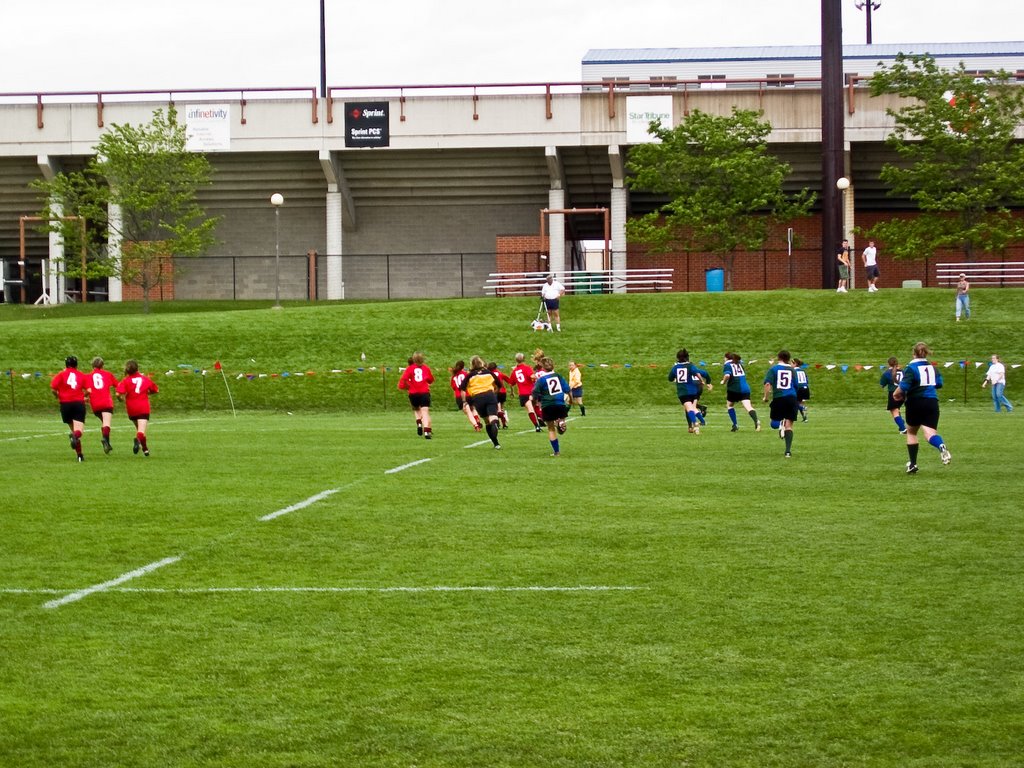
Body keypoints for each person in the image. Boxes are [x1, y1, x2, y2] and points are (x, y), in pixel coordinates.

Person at [893, 341, 951, 473]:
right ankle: (941, 445)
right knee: (930, 433)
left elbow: (904, 387)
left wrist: (895, 395)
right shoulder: (933, 368)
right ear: (926, 353)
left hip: (915, 402)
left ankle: (913, 464)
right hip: (932, 402)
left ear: (914, 354)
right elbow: (939, 384)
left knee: (912, 432)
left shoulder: (911, 368)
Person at [115, 359, 159, 457]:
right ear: (137, 368)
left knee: (139, 430)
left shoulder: (125, 381)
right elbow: (155, 390)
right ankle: (137, 441)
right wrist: (148, 392)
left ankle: (145, 450)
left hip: (131, 408)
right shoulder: (145, 379)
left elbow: (118, 393)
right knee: (141, 431)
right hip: (143, 407)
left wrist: (120, 399)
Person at [531, 356, 571, 457]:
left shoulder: (541, 380)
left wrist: (535, 402)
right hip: (560, 403)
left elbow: (535, 392)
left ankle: (556, 452)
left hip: (547, 405)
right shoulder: (558, 376)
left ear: (543, 368)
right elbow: (567, 389)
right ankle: (561, 422)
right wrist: (570, 399)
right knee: (561, 421)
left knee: (551, 429)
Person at [460, 355, 502, 449]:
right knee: (493, 417)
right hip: (490, 395)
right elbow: (499, 384)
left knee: (487, 421)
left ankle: (496, 443)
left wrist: (464, 401)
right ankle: (495, 423)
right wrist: (495, 393)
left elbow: (462, 389)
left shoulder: (470, 375)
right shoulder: (488, 372)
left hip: (478, 398)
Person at [50, 355, 87, 462]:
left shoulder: (61, 374)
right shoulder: (81, 375)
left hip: (65, 405)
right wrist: (85, 396)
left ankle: (80, 455)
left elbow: (53, 388)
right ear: (76, 364)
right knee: (78, 431)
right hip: (78, 403)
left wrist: (57, 396)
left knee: (73, 430)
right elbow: (88, 389)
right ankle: (74, 437)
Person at [763, 350, 798, 458]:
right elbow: (796, 385)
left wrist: (766, 397)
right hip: (792, 398)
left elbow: (768, 384)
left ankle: (780, 426)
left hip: (779, 398)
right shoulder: (792, 370)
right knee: (789, 426)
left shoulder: (773, 369)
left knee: (774, 424)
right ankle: (788, 451)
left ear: (779, 357)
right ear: (788, 358)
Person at [668, 348, 712, 435]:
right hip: (693, 391)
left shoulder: (675, 368)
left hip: (683, 392)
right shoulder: (691, 366)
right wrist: (702, 381)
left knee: (689, 409)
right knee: (692, 407)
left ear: (678, 358)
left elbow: (670, 378)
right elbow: (698, 373)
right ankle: (701, 421)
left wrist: (675, 378)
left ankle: (695, 424)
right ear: (687, 357)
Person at [86, 356, 119, 454]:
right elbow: (118, 385)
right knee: (106, 423)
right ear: (102, 365)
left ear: (92, 365)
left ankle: (107, 444)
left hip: (95, 404)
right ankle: (105, 439)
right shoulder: (107, 374)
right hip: (106, 402)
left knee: (104, 423)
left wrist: (85, 397)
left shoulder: (88, 376)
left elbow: (86, 390)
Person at [398, 351, 435, 438]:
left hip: (413, 393)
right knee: (425, 412)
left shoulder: (410, 368)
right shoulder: (426, 368)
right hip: (424, 393)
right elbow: (431, 380)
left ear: (413, 359)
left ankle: (419, 423)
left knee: (416, 409)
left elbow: (404, 379)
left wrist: (407, 387)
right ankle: (426, 431)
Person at [721, 352, 760, 432]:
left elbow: (727, 375)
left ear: (727, 358)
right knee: (748, 407)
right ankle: (756, 421)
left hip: (734, 389)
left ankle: (735, 424)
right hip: (745, 388)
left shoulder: (727, 365)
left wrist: (723, 381)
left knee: (730, 405)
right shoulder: (739, 364)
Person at [510, 352, 542, 431]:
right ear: (524, 359)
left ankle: (536, 426)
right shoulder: (527, 368)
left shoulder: (515, 371)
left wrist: (512, 392)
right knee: (536, 405)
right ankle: (540, 418)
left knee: (530, 410)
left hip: (523, 393)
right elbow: (532, 376)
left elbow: (511, 383)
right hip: (531, 391)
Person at [879, 357, 909, 434]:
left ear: (888, 364)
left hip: (893, 393)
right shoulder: (904, 371)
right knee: (897, 409)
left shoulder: (887, 373)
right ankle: (901, 425)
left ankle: (903, 429)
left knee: (894, 411)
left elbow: (882, 385)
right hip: (904, 392)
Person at [451, 360, 481, 430]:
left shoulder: (453, 377)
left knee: (468, 412)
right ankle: (476, 418)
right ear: (463, 367)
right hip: (468, 394)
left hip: (459, 396)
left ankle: (476, 425)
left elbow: (454, 387)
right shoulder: (465, 374)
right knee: (472, 408)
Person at [487, 361, 511, 428]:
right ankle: (504, 424)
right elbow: (509, 381)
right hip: (503, 392)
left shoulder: (489, 374)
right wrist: (511, 390)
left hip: (495, 392)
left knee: (497, 409)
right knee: (502, 408)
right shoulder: (500, 373)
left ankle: (497, 423)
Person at [792, 357, 811, 422]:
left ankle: (802, 408)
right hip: (805, 388)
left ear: (795, 364)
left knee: (793, 402)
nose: (790, 364)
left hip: (799, 388)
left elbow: (794, 381)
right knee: (800, 402)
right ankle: (805, 418)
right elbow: (807, 380)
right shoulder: (803, 370)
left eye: (791, 363)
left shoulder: (793, 371)